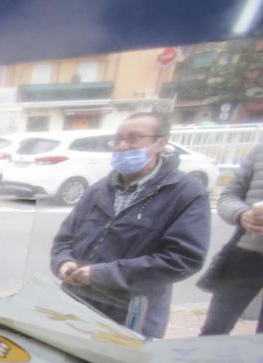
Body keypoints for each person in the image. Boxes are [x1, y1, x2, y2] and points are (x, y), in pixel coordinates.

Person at [51, 112, 210, 338]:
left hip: (132, 314)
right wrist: (63, 262)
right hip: (76, 305)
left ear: (160, 143)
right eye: (117, 139)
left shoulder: (185, 193)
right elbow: (65, 238)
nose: (122, 146)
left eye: (134, 138)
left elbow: (182, 259)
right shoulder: (99, 189)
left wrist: (101, 274)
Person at [198, 142, 263, 334]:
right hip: (245, 255)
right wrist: (241, 214)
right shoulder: (259, 151)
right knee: (214, 331)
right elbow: (228, 197)